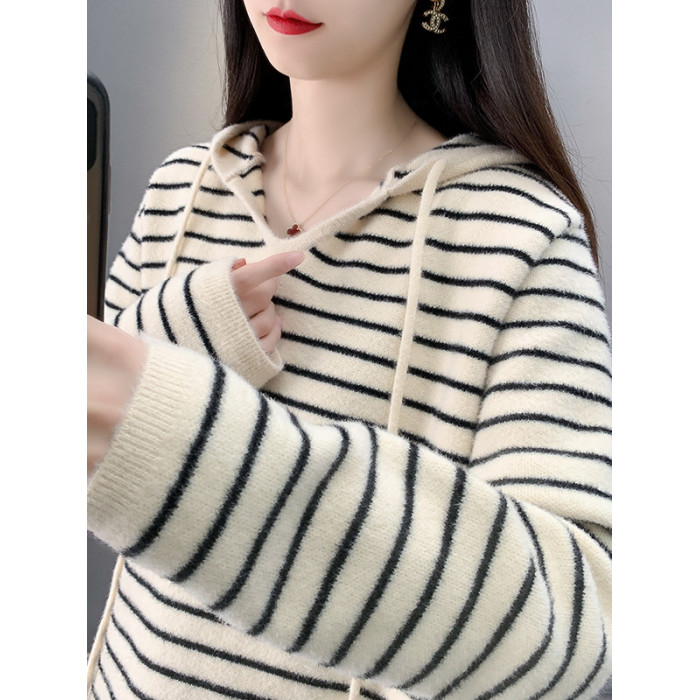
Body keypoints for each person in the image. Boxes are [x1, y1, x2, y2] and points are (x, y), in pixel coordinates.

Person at [86, 0, 612, 698]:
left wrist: (187, 442)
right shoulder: (181, 187)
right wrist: (178, 335)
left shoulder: (522, 235)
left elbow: (574, 638)